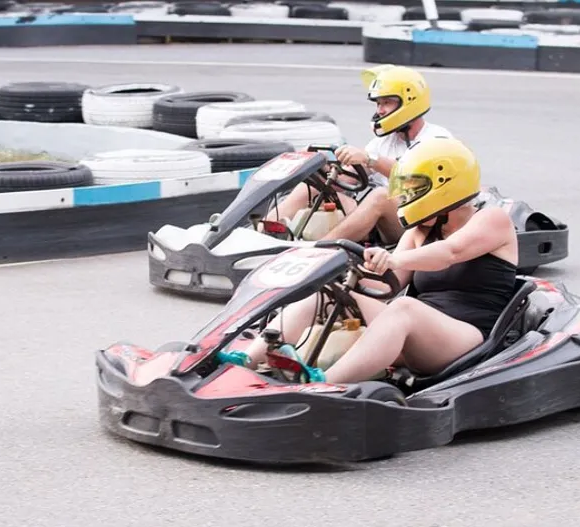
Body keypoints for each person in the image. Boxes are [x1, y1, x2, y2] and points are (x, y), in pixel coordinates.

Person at [220, 137, 519, 384]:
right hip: (414, 330)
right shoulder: (419, 231)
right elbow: (385, 286)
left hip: (465, 336)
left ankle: (324, 382)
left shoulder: (493, 219)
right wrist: (346, 273)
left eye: (415, 189)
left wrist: (394, 259)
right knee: (330, 292)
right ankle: (247, 359)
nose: (407, 197)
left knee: (405, 307)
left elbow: (449, 253)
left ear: (445, 186)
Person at [260, 64, 453, 246]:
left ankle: (319, 249)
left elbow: (421, 179)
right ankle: (262, 234)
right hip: (380, 220)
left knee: (381, 196)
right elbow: (347, 178)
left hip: (423, 225)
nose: (380, 110)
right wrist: (322, 168)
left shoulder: (436, 139)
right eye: (378, 104)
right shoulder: (384, 141)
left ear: (410, 101)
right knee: (313, 188)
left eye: (387, 103)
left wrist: (370, 159)